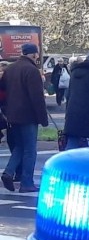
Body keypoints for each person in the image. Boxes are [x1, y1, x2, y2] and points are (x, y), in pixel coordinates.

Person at [1, 44, 48, 193]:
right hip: (28, 116)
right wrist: (43, 118)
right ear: (34, 54)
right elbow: (37, 97)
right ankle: (26, 182)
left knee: (19, 147)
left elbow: (3, 92)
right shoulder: (32, 70)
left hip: (12, 116)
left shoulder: (10, 69)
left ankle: (8, 172)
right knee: (30, 150)